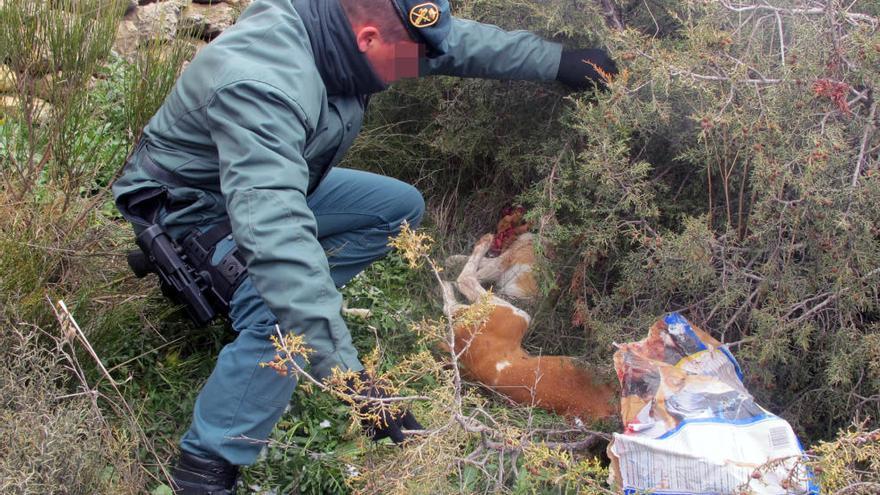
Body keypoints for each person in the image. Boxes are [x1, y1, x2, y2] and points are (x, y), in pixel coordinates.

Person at [112, 0, 617, 492]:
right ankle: (207, 465)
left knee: (397, 206)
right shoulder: (263, 83)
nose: (413, 71)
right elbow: (279, 239)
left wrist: (560, 62)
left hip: (280, 182)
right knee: (284, 315)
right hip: (195, 208)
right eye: (405, 63)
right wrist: (356, 385)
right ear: (368, 40)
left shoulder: (361, 26)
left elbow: (455, 43)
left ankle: (271, 298)